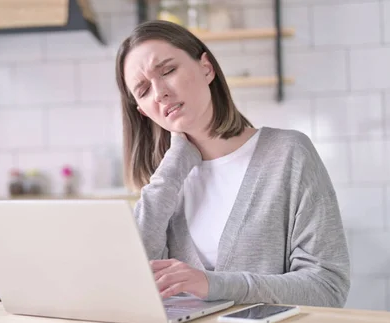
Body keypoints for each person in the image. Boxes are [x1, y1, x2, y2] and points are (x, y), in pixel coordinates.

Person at [114, 20, 350, 307]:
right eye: (143, 90)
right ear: (143, 111)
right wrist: (173, 167)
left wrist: (212, 284)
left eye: (168, 71)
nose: (160, 92)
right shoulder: (165, 181)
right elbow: (132, 284)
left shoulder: (289, 153)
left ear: (206, 68)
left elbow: (327, 289)